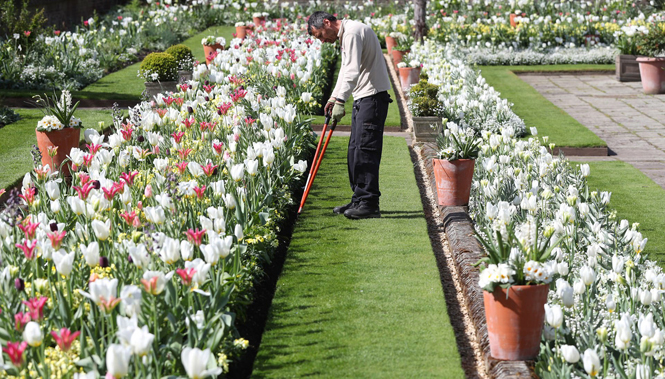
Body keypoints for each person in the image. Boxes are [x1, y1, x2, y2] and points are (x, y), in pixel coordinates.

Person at [307, 11, 392, 219]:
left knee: (365, 150)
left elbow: (352, 71)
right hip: (364, 97)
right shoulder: (347, 34)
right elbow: (345, 70)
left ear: (327, 23)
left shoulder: (352, 32)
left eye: (320, 35)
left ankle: (369, 203)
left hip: (372, 97)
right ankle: (359, 198)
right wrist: (333, 98)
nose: (323, 41)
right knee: (355, 149)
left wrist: (341, 100)